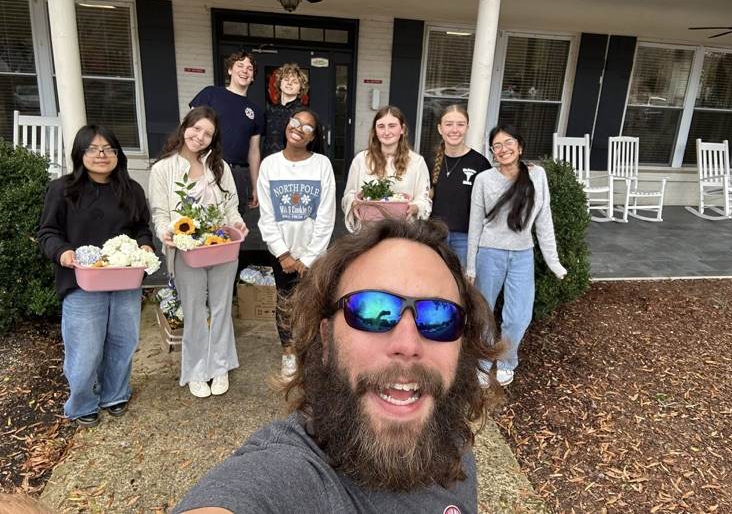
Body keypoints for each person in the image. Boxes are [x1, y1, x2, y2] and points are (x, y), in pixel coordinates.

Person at [173, 218, 504, 514]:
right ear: (326, 339)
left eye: (439, 316)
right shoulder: (289, 472)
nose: (407, 345)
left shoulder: (451, 440)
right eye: (373, 311)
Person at [38, 124, 155, 427]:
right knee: (85, 348)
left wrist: (145, 246)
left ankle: (115, 393)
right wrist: (63, 252)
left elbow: (142, 228)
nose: (101, 155)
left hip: (124, 281)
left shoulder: (131, 190)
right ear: (80, 153)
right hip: (82, 283)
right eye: (93, 149)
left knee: (123, 341)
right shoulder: (62, 190)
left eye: (109, 149)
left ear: (118, 154)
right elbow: (48, 232)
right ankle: (81, 403)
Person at [149, 106, 249, 398]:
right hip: (187, 250)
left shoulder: (220, 166)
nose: (200, 137)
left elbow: (231, 208)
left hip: (222, 248)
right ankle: (195, 370)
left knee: (220, 309)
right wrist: (166, 232)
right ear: (184, 126)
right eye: (196, 129)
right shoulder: (163, 169)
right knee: (193, 311)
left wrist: (238, 224)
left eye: (208, 133)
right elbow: (160, 213)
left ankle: (219, 367)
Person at [466, 123, 567, 387]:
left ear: (520, 146)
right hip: (490, 252)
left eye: (508, 142)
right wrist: (471, 266)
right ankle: (484, 360)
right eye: (497, 145)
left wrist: (553, 261)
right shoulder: (484, 179)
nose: (503, 149)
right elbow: (475, 224)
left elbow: (544, 219)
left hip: (522, 254)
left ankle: (507, 360)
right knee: (484, 310)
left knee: (520, 315)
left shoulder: (537, 176)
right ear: (492, 152)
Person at [257, 107, 336, 379]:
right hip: (282, 253)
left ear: (313, 137)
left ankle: (312, 352)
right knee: (286, 302)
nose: (298, 129)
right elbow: (266, 216)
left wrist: (309, 257)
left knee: (314, 303)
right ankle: (289, 352)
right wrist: (283, 254)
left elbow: (326, 215)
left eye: (307, 127)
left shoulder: (322, 165)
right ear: (286, 126)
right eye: (295, 122)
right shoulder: (270, 165)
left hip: (312, 252)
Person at [189, 51, 265, 215]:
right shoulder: (211, 94)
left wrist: (255, 185)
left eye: (250, 68)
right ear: (230, 70)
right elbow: (188, 129)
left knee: (233, 224)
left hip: (238, 174)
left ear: (253, 77)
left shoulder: (256, 111)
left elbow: (253, 151)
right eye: (240, 65)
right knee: (201, 221)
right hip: (208, 167)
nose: (244, 70)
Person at [342, 105, 432, 232]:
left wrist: (416, 207)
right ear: (375, 130)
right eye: (381, 126)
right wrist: (353, 203)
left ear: (402, 129)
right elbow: (349, 194)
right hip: (368, 232)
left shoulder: (417, 162)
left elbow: (423, 199)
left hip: (402, 232)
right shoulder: (361, 160)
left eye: (392, 126)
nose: (386, 132)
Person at [430, 104, 492, 269]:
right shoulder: (429, 161)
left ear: (467, 127)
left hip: (465, 239)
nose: (454, 130)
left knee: (462, 286)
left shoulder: (480, 163)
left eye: (460, 124)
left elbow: (488, 205)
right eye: (449, 124)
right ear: (440, 128)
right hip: (434, 235)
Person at [262, 63, 309, 159]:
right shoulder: (269, 110)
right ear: (279, 84)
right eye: (286, 79)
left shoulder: (304, 114)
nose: (289, 83)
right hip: (269, 164)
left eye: (295, 81)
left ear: (300, 89)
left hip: (293, 165)